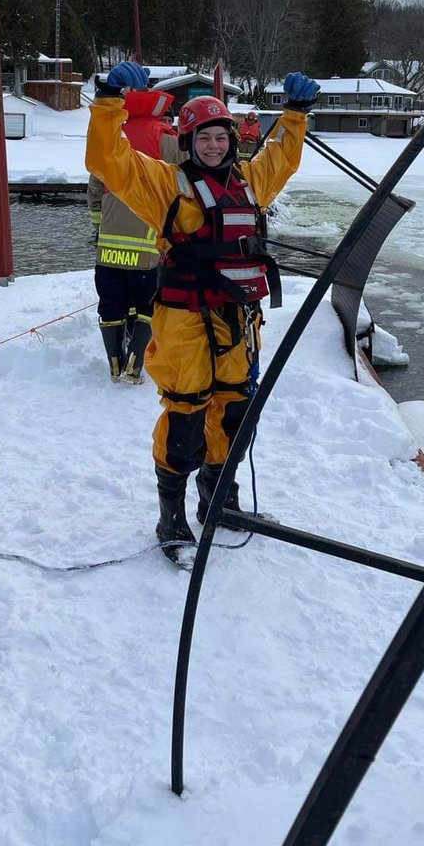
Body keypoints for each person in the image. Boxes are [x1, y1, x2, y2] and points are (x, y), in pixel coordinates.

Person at [86, 64, 319, 561]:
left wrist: (295, 115)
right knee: (187, 414)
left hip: (238, 321)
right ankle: (170, 517)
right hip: (185, 320)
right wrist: (109, 99)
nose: (214, 145)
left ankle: (219, 500)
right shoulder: (165, 185)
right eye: (203, 138)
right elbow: (109, 159)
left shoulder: (251, 182)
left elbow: (283, 159)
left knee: (234, 413)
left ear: (232, 142)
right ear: (187, 143)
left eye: (221, 137)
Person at [87, 87, 180, 383]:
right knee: (147, 305)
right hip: (147, 245)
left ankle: (115, 364)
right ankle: (135, 365)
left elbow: (94, 187)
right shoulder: (168, 141)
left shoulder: (116, 140)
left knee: (112, 304)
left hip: (109, 246)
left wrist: (99, 225)